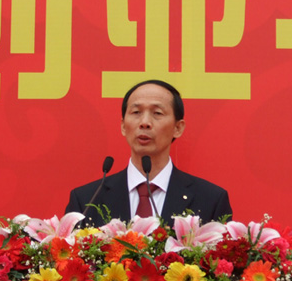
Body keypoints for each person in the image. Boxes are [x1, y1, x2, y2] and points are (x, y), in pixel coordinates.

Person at [65, 79, 232, 226]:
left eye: (157, 113)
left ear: (178, 128)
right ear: (123, 126)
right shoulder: (87, 200)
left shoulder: (211, 200)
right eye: (136, 112)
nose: (144, 122)